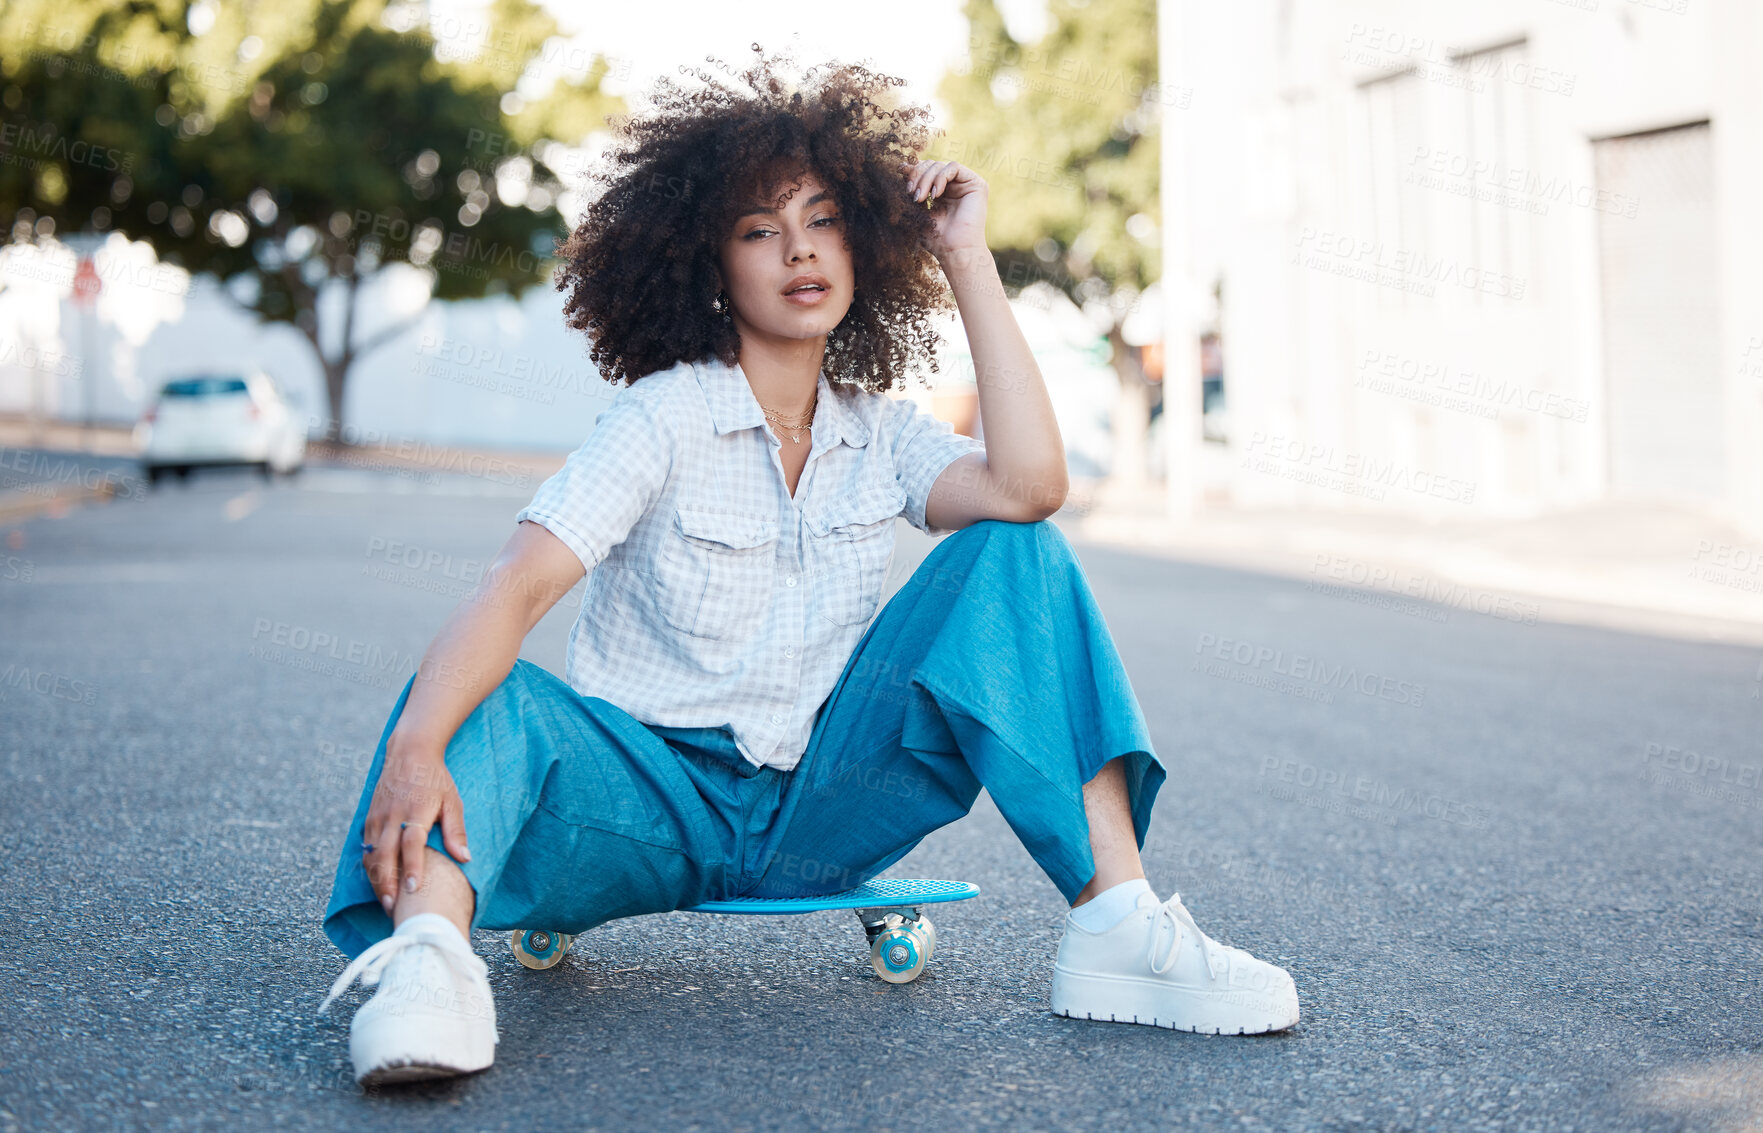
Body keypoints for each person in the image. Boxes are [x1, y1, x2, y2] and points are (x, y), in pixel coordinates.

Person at [315, 49, 1299, 1087]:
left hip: (824, 807)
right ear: (711, 264)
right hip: (646, 804)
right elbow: (514, 586)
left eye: (823, 218)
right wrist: (418, 745)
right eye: (757, 228)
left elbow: (1026, 486)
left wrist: (965, 254)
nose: (798, 249)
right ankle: (426, 960)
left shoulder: (881, 434)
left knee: (1015, 550)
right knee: (485, 698)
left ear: (864, 241)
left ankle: (1118, 925)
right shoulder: (664, 417)